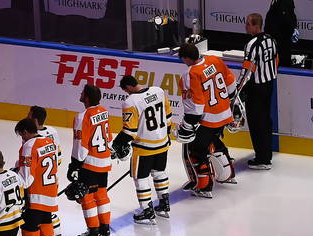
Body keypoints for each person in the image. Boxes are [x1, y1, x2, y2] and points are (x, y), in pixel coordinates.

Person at [177, 39, 238, 199]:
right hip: (224, 114)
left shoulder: (191, 74)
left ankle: (204, 186)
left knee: (196, 150)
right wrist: (232, 103)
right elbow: (231, 82)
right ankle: (227, 174)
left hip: (209, 119)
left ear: (187, 58)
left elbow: (196, 105)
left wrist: (189, 123)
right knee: (214, 142)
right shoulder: (214, 59)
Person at [115, 74, 173, 223]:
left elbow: (130, 131)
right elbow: (168, 116)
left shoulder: (131, 101)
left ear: (128, 88)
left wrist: (118, 144)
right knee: (159, 173)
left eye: (126, 91)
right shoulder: (158, 91)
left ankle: (147, 211)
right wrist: (166, 134)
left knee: (140, 178)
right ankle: (164, 204)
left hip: (144, 147)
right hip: (162, 142)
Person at [14, 118, 61, 236]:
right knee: (47, 229)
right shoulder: (49, 141)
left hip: (35, 196)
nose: (22, 139)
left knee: (30, 232)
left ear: (26, 132)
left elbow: (26, 179)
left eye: (21, 135)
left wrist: (14, 175)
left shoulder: (29, 146)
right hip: (49, 193)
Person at [69, 84, 114, 236]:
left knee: (87, 197)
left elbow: (80, 144)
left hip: (90, 164)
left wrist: (74, 165)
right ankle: (105, 230)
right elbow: (108, 136)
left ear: (86, 97)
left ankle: (93, 232)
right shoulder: (103, 111)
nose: (80, 94)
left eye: (82, 93)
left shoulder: (82, 117)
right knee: (101, 194)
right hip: (104, 160)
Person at [241, 13, 279, 170]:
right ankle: (266, 155)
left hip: (256, 87)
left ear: (256, 26)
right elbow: (276, 60)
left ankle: (262, 159)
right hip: (269, 84)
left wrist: (239, 87)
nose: (246, 26)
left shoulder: (252, 44)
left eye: (248, 24)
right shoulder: (271, 39)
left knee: (257, 122)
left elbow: (248, 69)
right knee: (265, 120)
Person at [28, 106, 64, 236]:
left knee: (40, 217)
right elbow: (59, 156)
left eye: (29, 115)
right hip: (52, 179)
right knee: (51, 214)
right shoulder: (53, 132)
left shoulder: (32, 138)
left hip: (39, 184)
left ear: (35, 119)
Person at [264, 0, 297, 68]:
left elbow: (288, 19)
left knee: (282, 64)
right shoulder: (275, 2)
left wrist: (292, 29)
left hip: (281, 43)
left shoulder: (285, 2)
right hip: (274, 41)